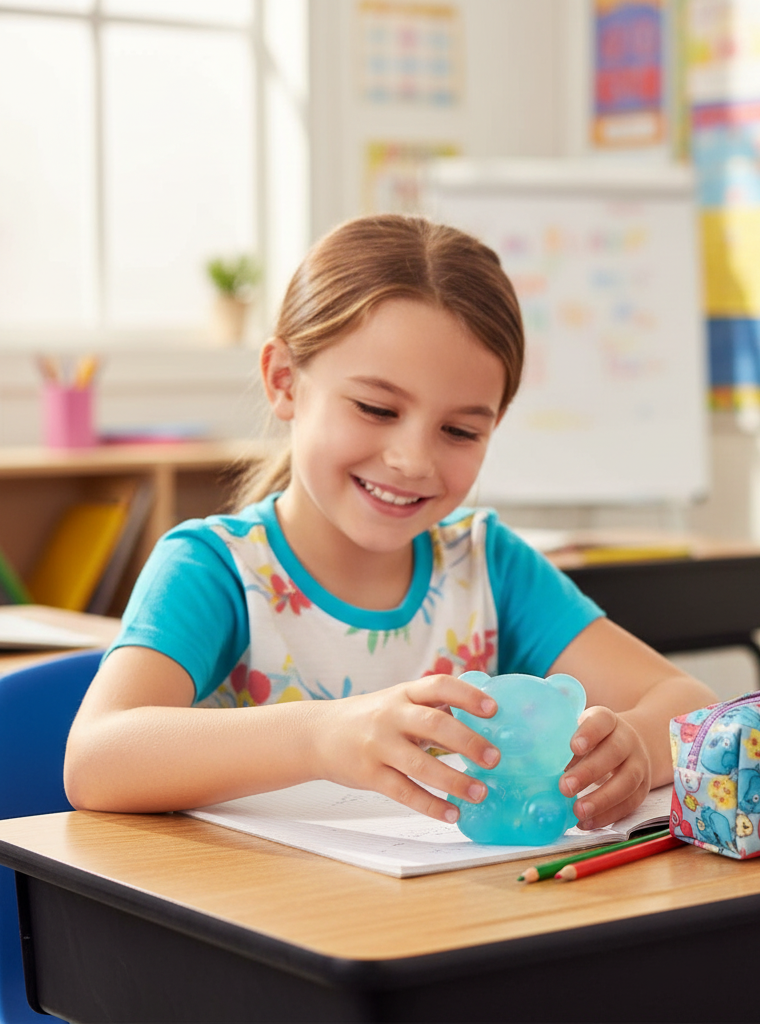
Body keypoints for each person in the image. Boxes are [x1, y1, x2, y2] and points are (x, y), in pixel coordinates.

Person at [64, 215, 716, 831]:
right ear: (284, 380)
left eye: (460, 431)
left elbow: (689, 702)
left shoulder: (488, 565)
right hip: (259, 909)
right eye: (377, 409)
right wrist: (322, 737)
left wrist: (636, 747)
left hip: (446, 908)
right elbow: (95, 758)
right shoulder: (215, 571)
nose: (413, 461)